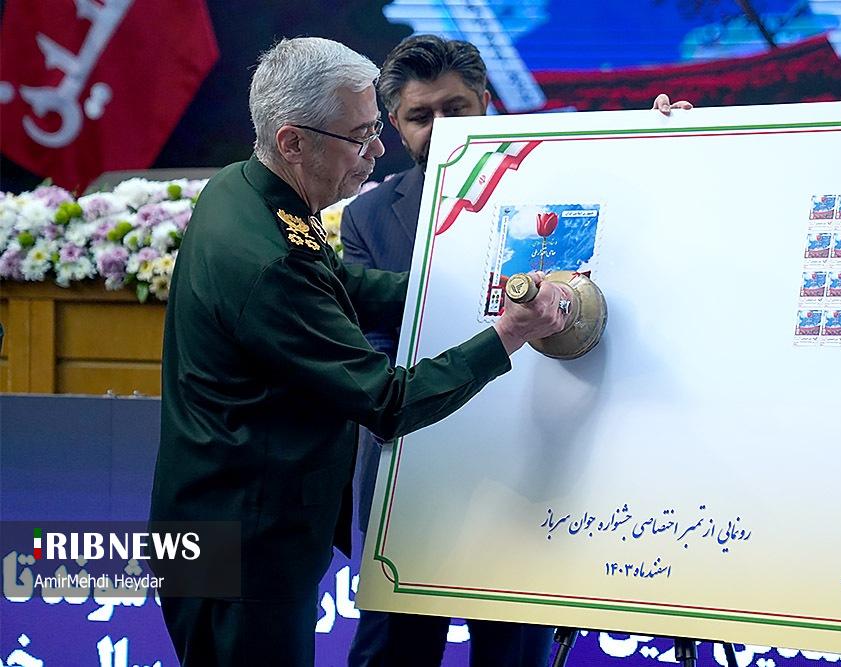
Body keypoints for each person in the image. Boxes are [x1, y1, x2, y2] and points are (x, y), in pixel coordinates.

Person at [148, 36, 570, 667]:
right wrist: (509, 332)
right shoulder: (270, 262)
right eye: (360, 135)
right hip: (244, 545)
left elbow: (347, 284)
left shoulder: (247, 189)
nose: (377, 150)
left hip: (222, 519)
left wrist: (476, 290)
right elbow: (388, 400)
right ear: (294, 142)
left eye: (375, 128)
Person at [341, 34, 691, 667]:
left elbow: (632, 224)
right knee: (391, 653)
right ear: (393, 123)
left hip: (532, 466)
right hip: (415, 473)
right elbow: (374, 351)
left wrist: (665, 145)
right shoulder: (368, 218)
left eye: (456, 109)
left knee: (512, 656)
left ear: (486, 101)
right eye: (421, 116)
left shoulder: (556, 185)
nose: (442, 128)